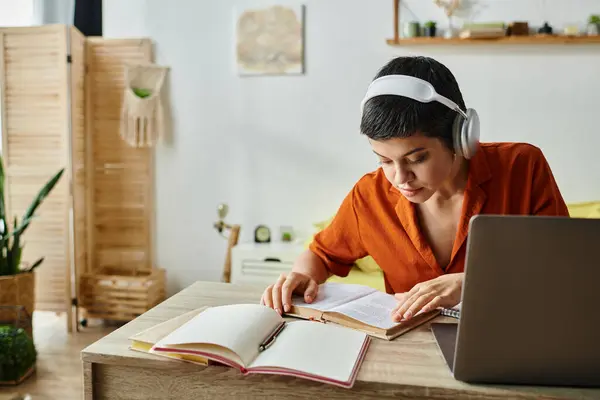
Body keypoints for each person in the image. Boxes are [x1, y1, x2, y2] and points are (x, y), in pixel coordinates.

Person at [260, 56, 569, 322]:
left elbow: (563, 266)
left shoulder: (522, 167)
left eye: (417, 158)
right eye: (384, 160)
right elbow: (322, 255)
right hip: (406, 348)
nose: (400, 178)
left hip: (509, 334)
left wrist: (473, 283)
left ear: (460, 137)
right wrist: (301, 277)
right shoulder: (370, 195)